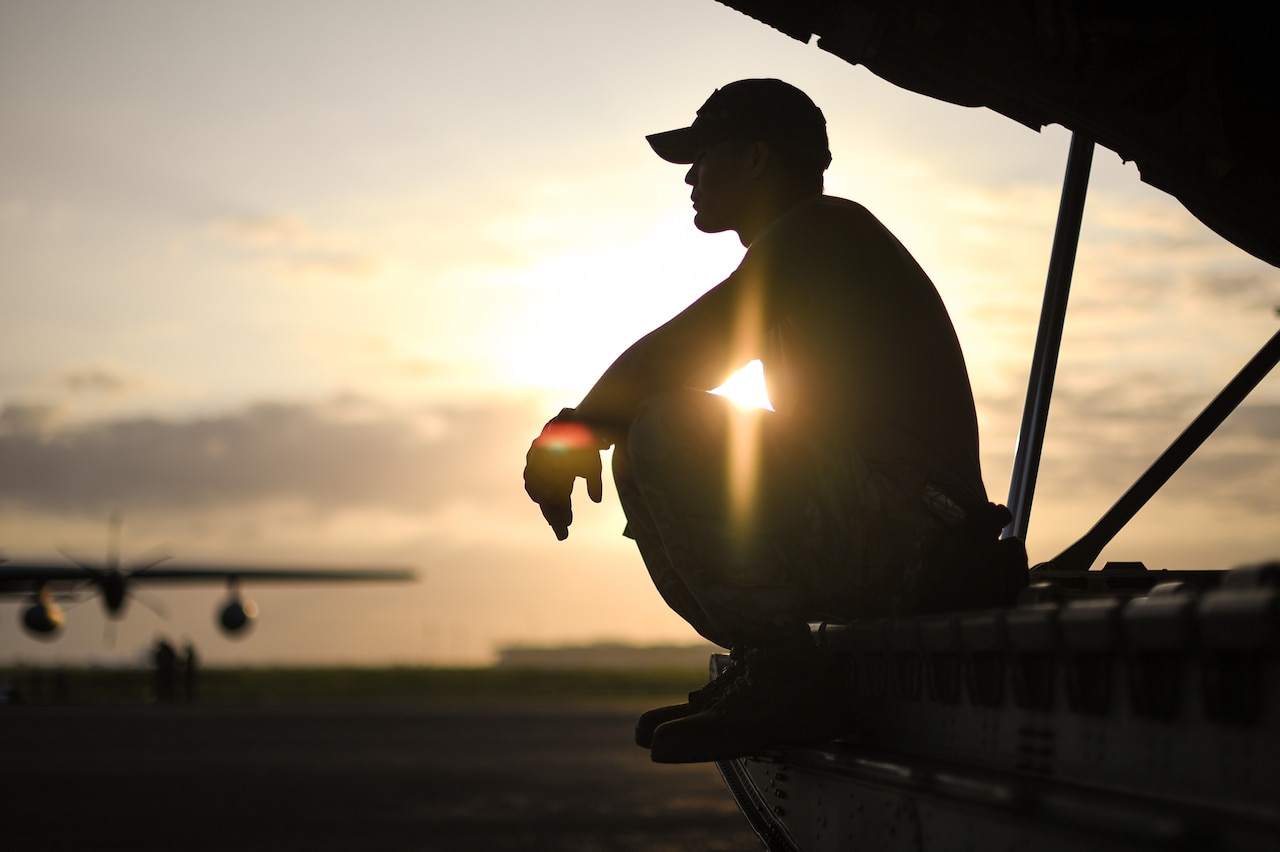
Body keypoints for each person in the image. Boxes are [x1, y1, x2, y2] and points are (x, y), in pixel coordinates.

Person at [523, 79, 1026, 764]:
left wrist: (572, 433)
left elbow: (684, 354)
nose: (691, 178)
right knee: (641, 442)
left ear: (756, 158)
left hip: (919, 532)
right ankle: (769, 662)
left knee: (668, 426)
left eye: (702, 157)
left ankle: (792, 679)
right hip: (890, 527)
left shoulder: (822, 232)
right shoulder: (801, 256)